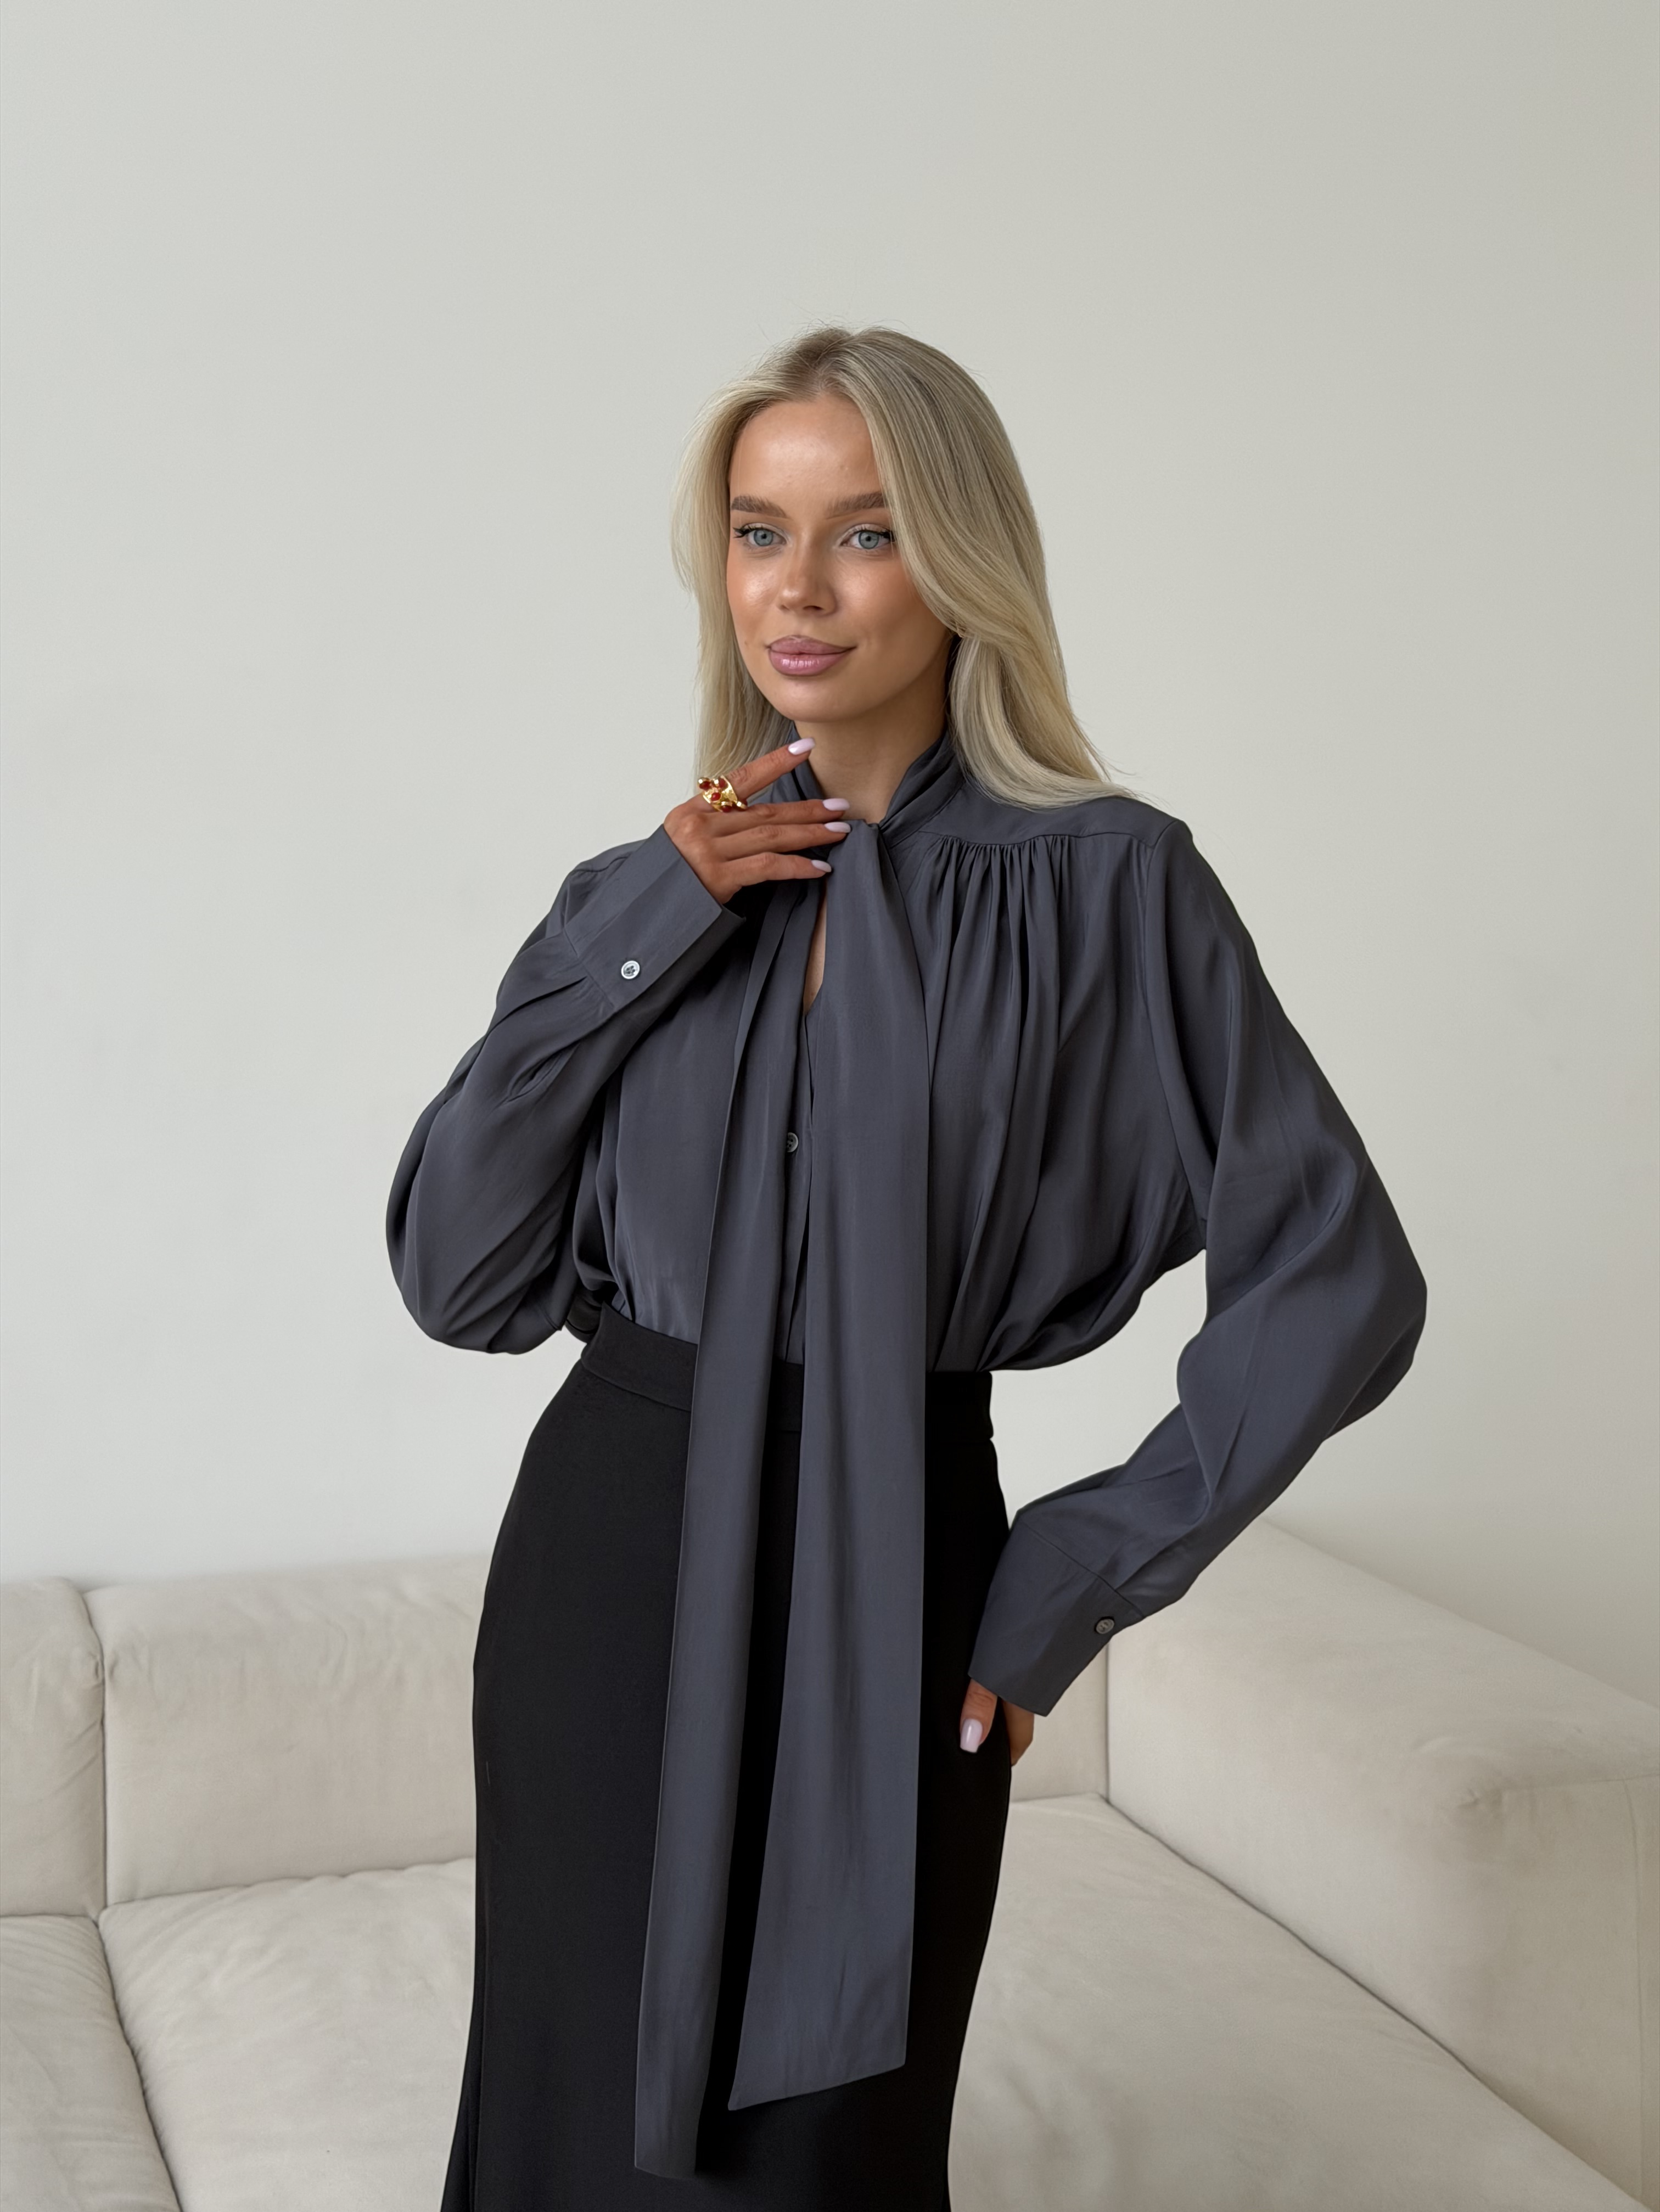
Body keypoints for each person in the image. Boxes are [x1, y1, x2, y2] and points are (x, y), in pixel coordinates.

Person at [386, 324, 1428, 2210]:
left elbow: (1339, 1274)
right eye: (758, 530)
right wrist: (649, 919)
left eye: (863, 533)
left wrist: (1074, 1580)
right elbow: (459, 1275)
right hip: (608, 1569)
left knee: (827, 2143)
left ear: (958, 563)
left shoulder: (1115, 889)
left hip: (909, 1580)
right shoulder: (638, 898)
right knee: (570, 2121)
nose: (799, 587)